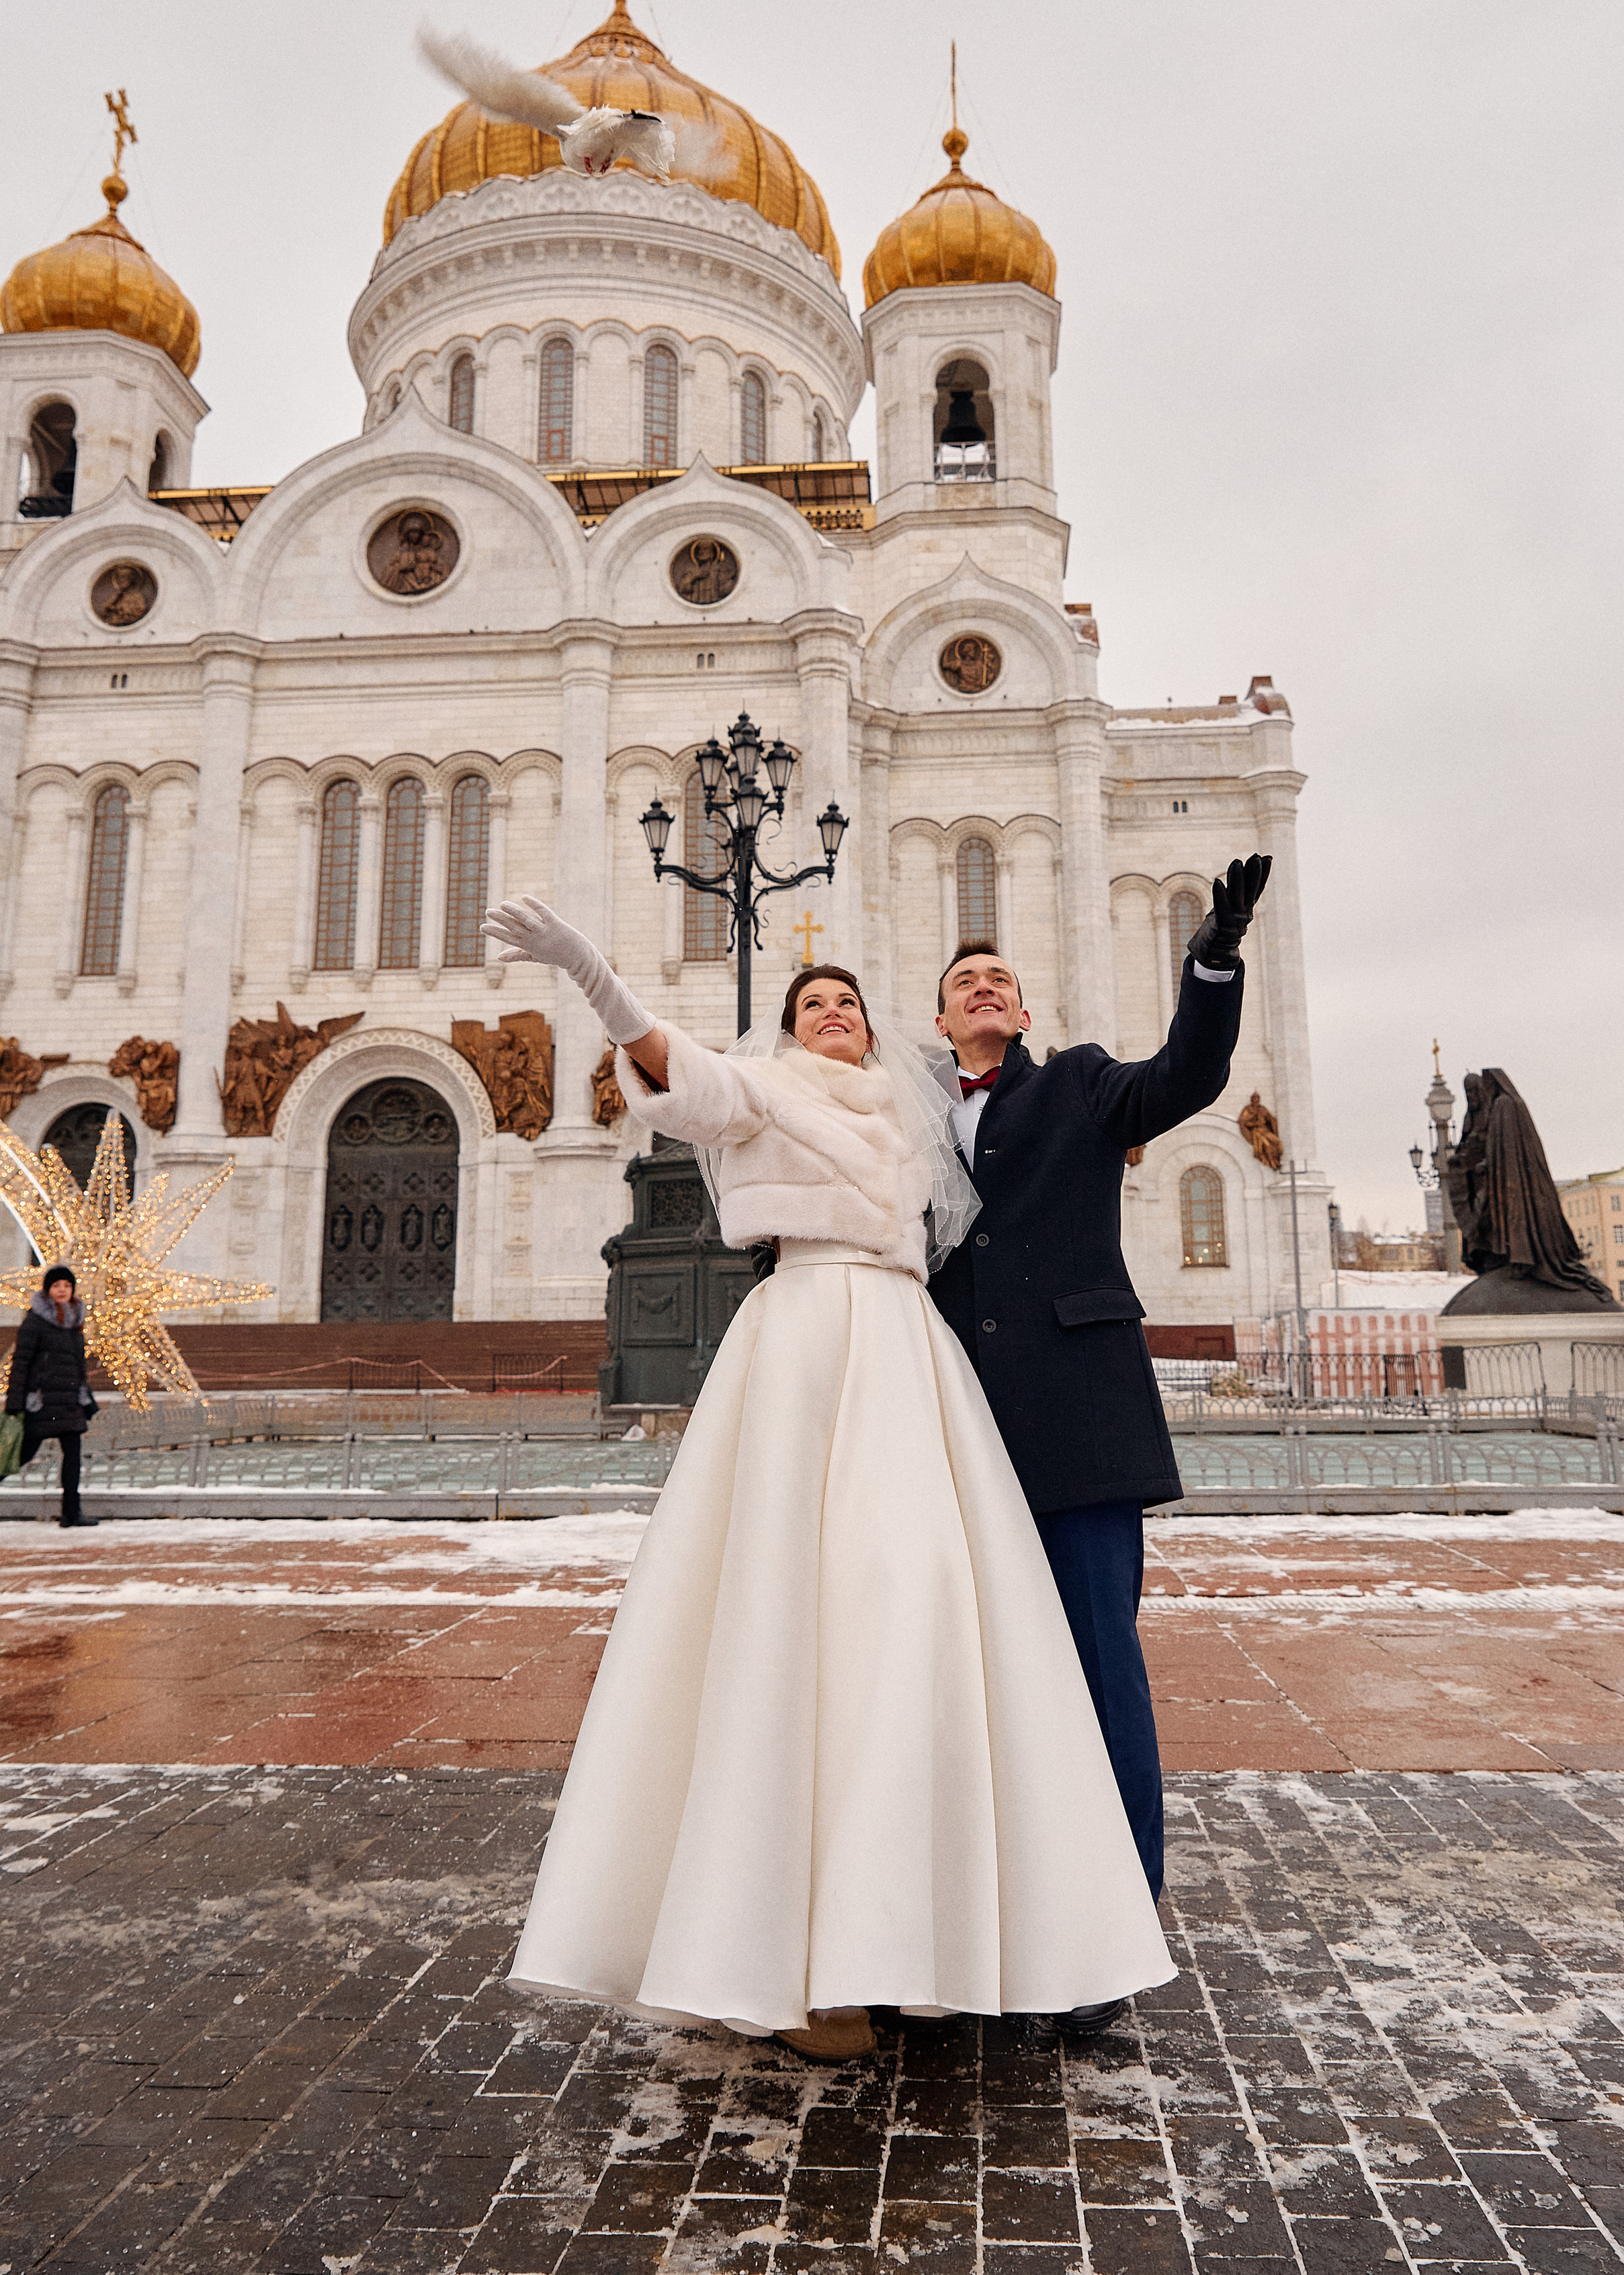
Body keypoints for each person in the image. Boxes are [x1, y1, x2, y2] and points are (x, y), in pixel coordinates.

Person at [479, 894, 1175, 2061]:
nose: (836, 1015)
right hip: (803, 1341)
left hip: (907, 1352)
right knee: (786, 1622)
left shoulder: (917, 1122)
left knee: (920, 1612)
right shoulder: (767, 1095)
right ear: (793, 1035)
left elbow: (1016, 1190)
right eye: (815, 1005)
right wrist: (594, 974)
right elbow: (681, 1076)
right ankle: (789, 1958)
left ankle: (931, 1934)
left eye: (849, 1002)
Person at [928, 855, 1270, 2025]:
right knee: (979, 1685)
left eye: (1000, 979)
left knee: (1095, 1668)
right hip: (955, 1434)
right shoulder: (916, 1119)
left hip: (1075, 1418)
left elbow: (1186, 1074)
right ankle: (995, 1922)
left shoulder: (1075, 1084)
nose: (984, 987)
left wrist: (1213, 955)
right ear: (939, 1018)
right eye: (965, 978)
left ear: (1022, 1015)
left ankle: (1112, 1936)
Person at [5, 1263, 99, 1528]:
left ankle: (72, 1513)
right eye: (57, 1286)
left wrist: (87, 1399)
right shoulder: (35, 1322)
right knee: (21, 1455)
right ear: (48, 1290)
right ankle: (71, 1512)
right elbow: (21, 1363)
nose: (62, 1290)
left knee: (73, 1457)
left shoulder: (75, 1323)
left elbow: (78, 1367)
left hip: (69, 1402)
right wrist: (15, 1403)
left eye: (67, 1286)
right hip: (42, 1402)